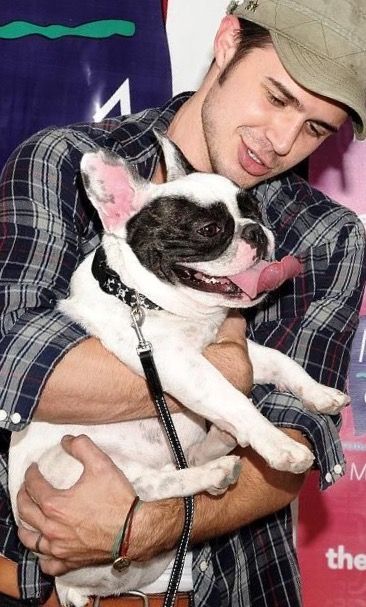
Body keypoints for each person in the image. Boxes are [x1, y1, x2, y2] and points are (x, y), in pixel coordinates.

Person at [1, 0, 366, 605]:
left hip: (231, 586)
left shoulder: (325, 235)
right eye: (276, 98)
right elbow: (12, 362)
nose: (280, 141)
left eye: (315, 129)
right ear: (226, 41)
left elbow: (296, 441)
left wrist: (152, 521)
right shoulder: (66, 163)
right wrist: (226, 366)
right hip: (47, 576)